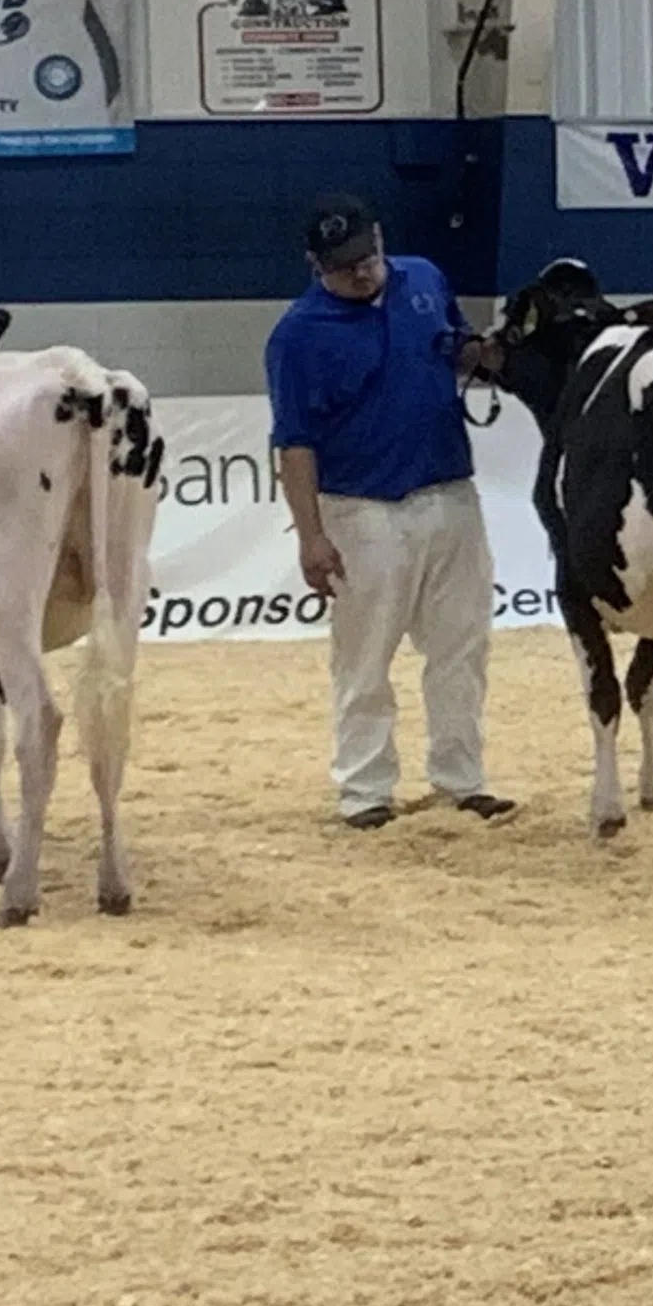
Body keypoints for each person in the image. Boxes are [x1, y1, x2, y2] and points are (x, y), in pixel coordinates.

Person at [265, 195, 512, 830]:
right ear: (315, 265)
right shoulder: (297, 335)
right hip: (360, 506)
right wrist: (311, 536)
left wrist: (484, 354)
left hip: (448, 490)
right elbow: (294, 443)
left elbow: (455, 349)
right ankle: (365, 791)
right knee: (365, 656)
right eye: (345, 266)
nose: (363, 272)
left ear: (380, 239)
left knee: (462, 644)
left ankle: (464, 779)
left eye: (368, 257)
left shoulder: (424, 278)